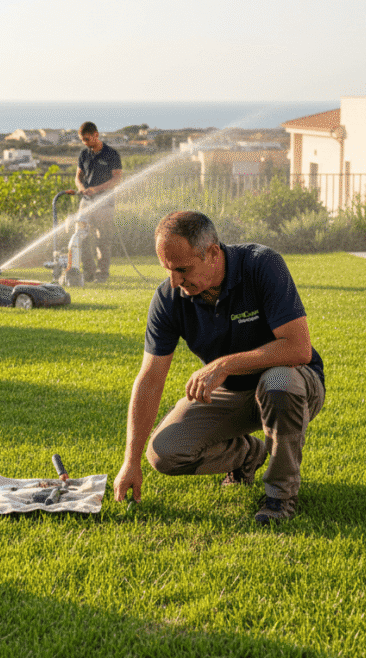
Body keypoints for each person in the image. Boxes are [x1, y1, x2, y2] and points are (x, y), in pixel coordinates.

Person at [113, 211, 325, 525]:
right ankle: (249, 455)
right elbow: (150, 378)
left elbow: (297, 348)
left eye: (182, 269)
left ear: (213, 253)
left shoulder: (261, 265)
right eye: (168, 270)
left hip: (294, 384)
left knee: (277, 381)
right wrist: (131, 461)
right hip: (234, 393)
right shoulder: (169, 298)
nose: (175, 281)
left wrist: (224, 365)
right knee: (165, 453)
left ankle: (280, 496)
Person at [74, 121, 122, 283]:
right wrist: (81, 187)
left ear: (96, 135)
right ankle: (88, 273)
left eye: (87, 139)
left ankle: (102, 275)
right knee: (82, 237)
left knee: (103, 240)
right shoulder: (84, 154)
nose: (85, 143)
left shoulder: (111, 154)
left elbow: (117, 179)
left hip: (104, 203)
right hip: (86, 202)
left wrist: (96, 189)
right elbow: (78, 176)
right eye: (82, 140)